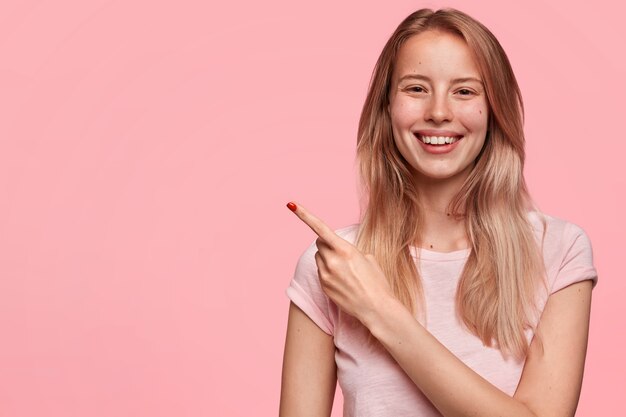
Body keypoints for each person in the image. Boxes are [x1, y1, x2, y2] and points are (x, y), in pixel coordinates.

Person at [279, 7, 598, 417]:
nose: (439, 112)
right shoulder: (335, 267)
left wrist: (382, 312)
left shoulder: (559, 251)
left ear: (494, 110)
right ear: (387, 106)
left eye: (464, 91)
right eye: (416, 89)